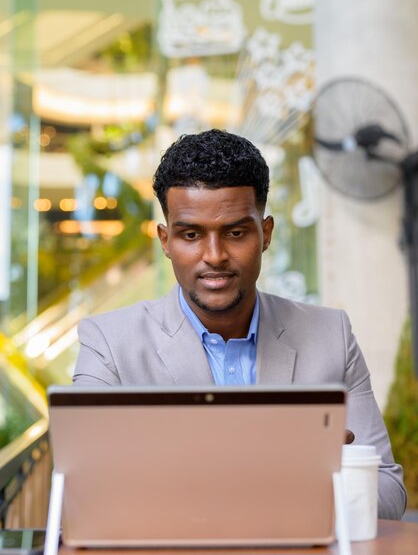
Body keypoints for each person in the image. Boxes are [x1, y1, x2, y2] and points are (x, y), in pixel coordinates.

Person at [73, 128, 407, 520]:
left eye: (235, 232)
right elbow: (84, 499)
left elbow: (387, 494)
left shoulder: (330, 336)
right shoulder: (109, 344)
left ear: (265, 234)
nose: (214, 256)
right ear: (165, 240)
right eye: (191, 234)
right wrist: (292, 473)